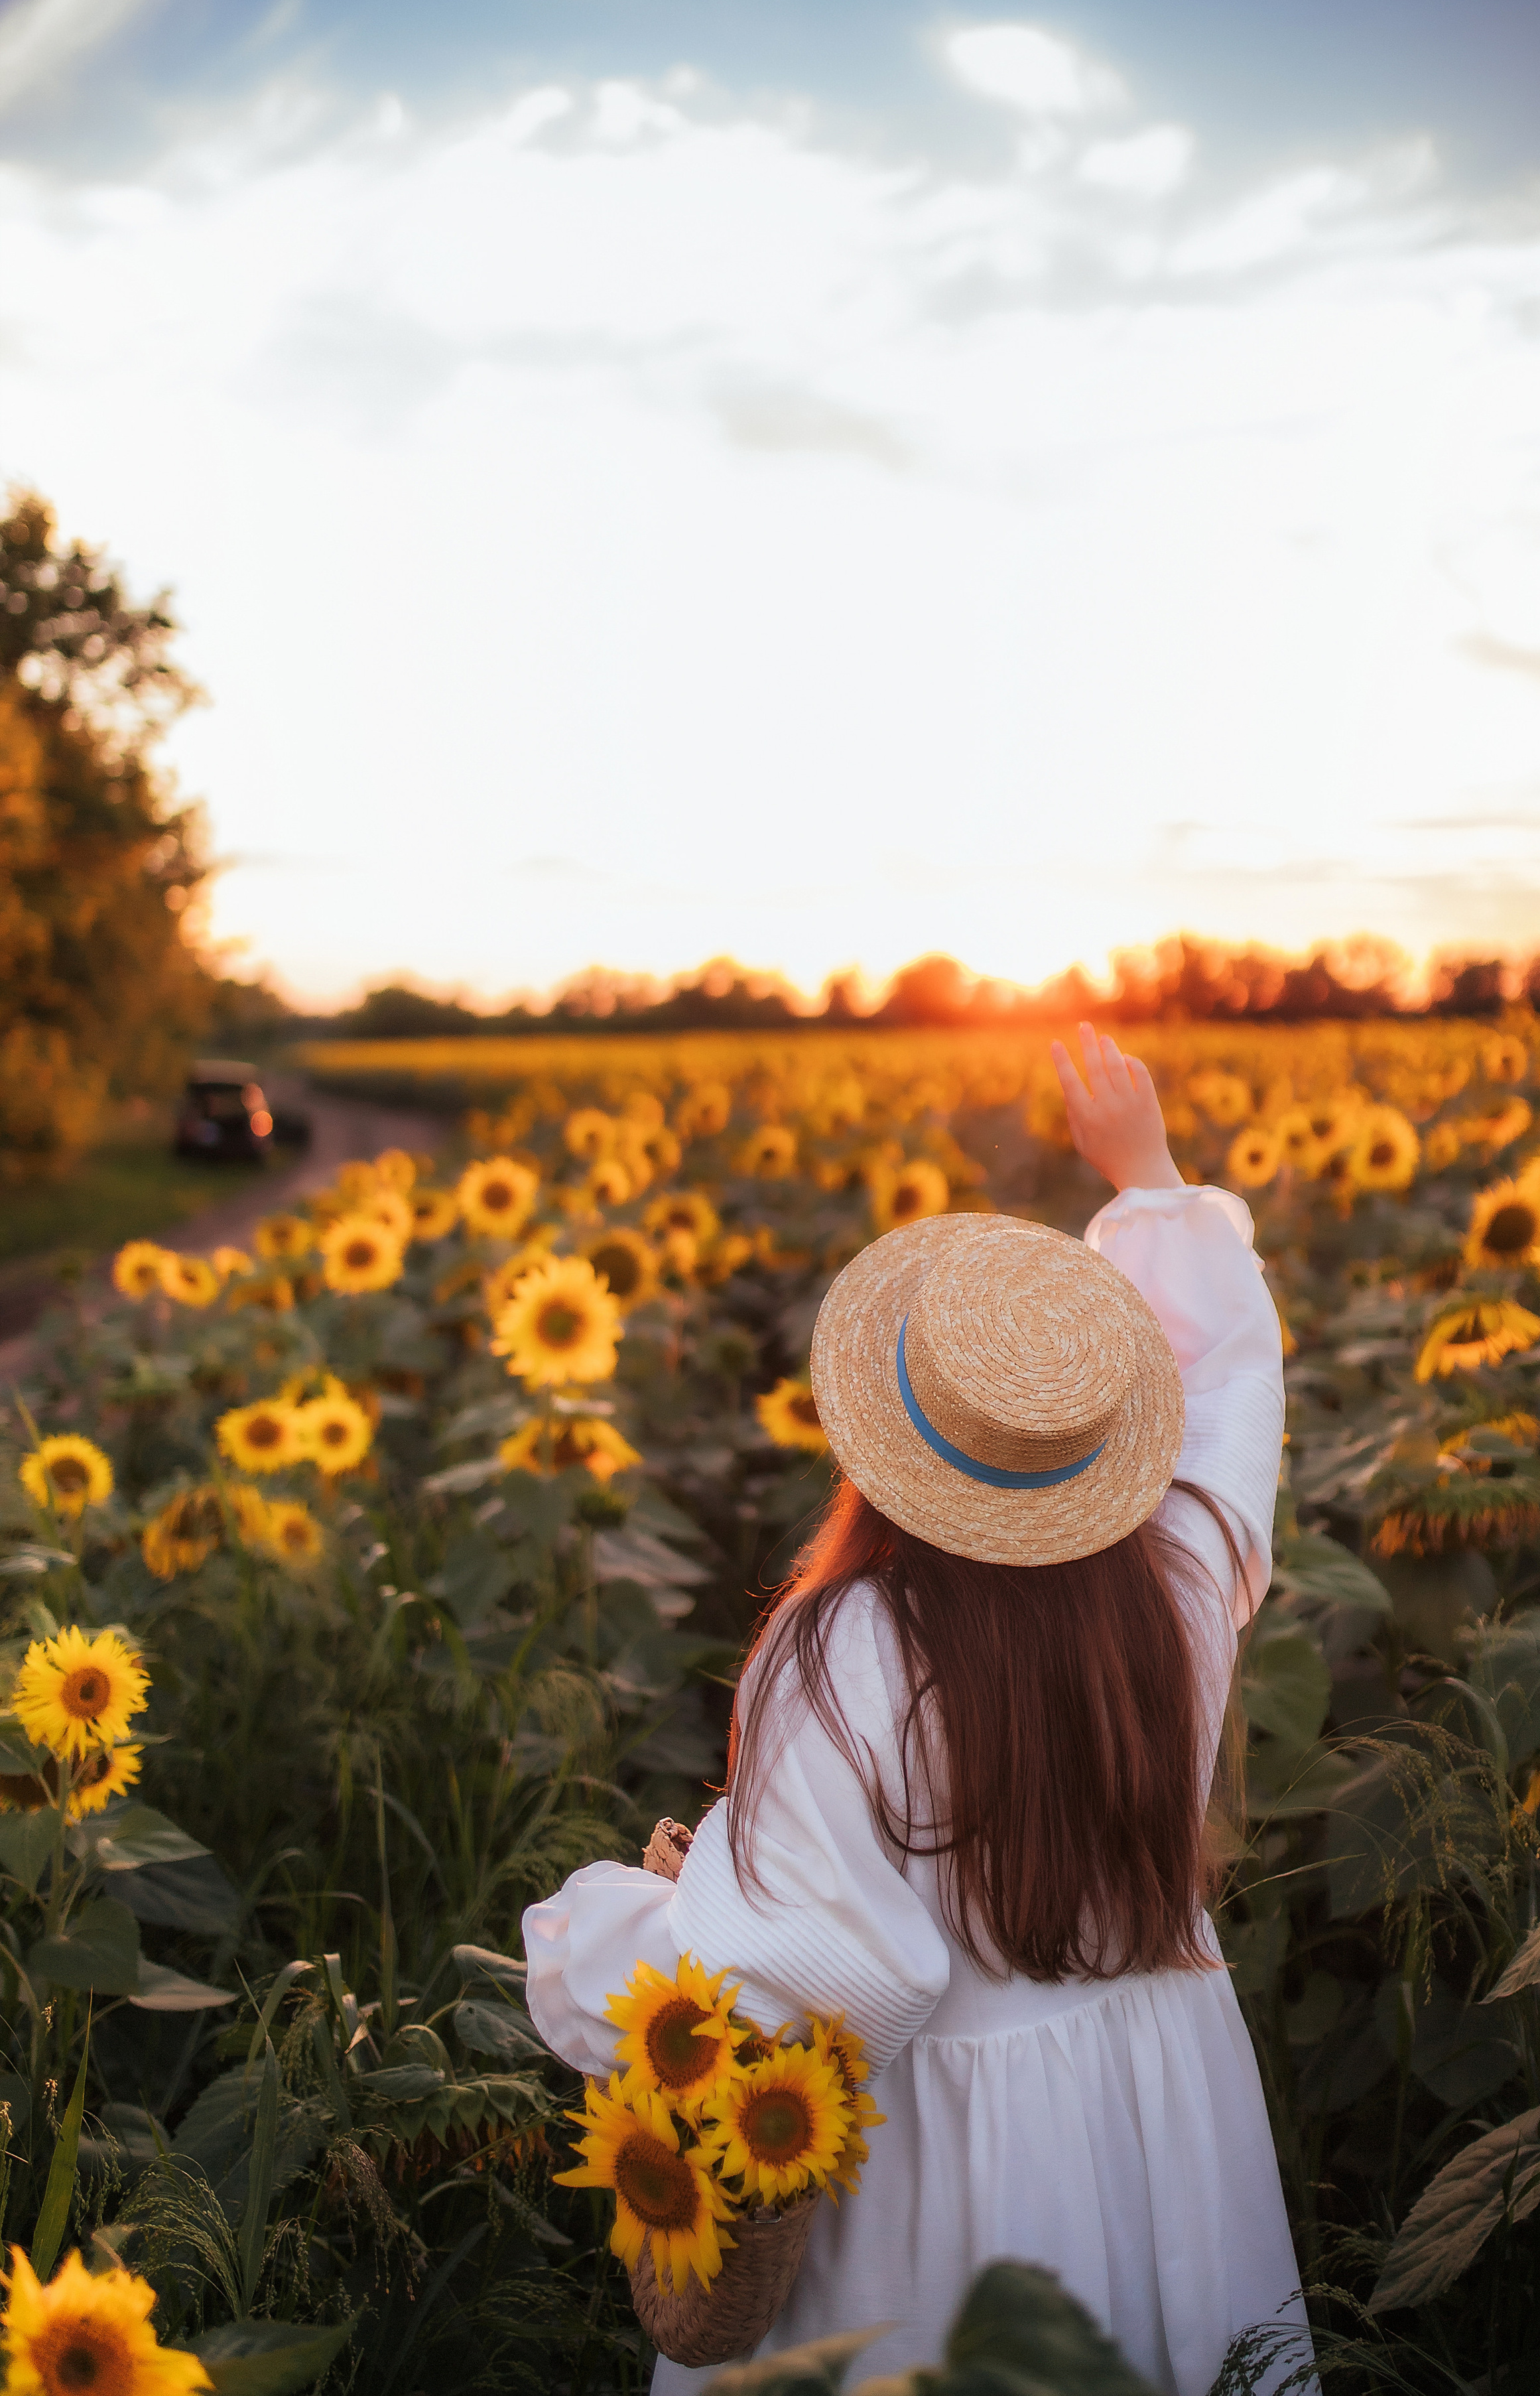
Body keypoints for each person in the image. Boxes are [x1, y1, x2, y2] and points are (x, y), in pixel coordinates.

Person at [525, 1024, 1309, 2395]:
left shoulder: (841, 1651)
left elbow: (810, 1981)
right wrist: (1153, 1180)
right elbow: (1236, 1389)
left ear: (887, 1439)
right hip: (1152, 2100)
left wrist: (596, 1941)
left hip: (937, 2167)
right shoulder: (1179, 1578)